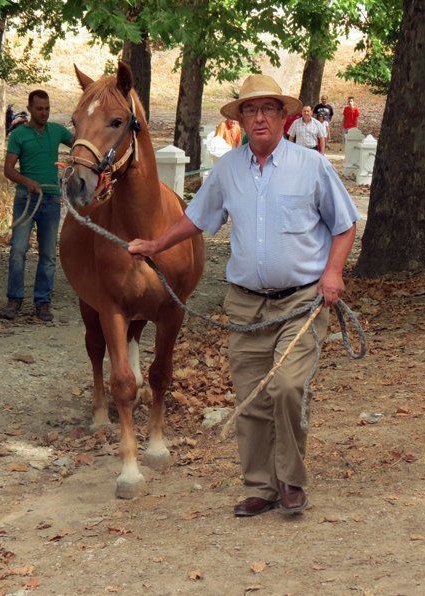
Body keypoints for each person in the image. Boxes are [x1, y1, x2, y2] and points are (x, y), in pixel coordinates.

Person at [128, 74, 358, 518]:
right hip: (246, 304)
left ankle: (291, 480)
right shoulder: (228, 169)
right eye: (249, 111)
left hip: (301, 302)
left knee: (288, 388)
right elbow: (197, 218)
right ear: (240, 119)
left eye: (268, 109)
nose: (258, 118)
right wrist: (156, 245)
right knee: (250, 394)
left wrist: (333, 273)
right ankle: (260, 486)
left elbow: (345, 224)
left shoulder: (311, 166)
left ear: (284, 116)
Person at [1, 89, 73, 322]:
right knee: (18, 250)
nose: (44, 113)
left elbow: (79, 142)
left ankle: (43, 302)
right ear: (30, 108)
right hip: (26, 198)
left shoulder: (57, 131)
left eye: (47, 108)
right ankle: (14, 299)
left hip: (51, 199)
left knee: (49, 253)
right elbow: (8, 169)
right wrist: (27, 181)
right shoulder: (19, 135)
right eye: (40, 109)